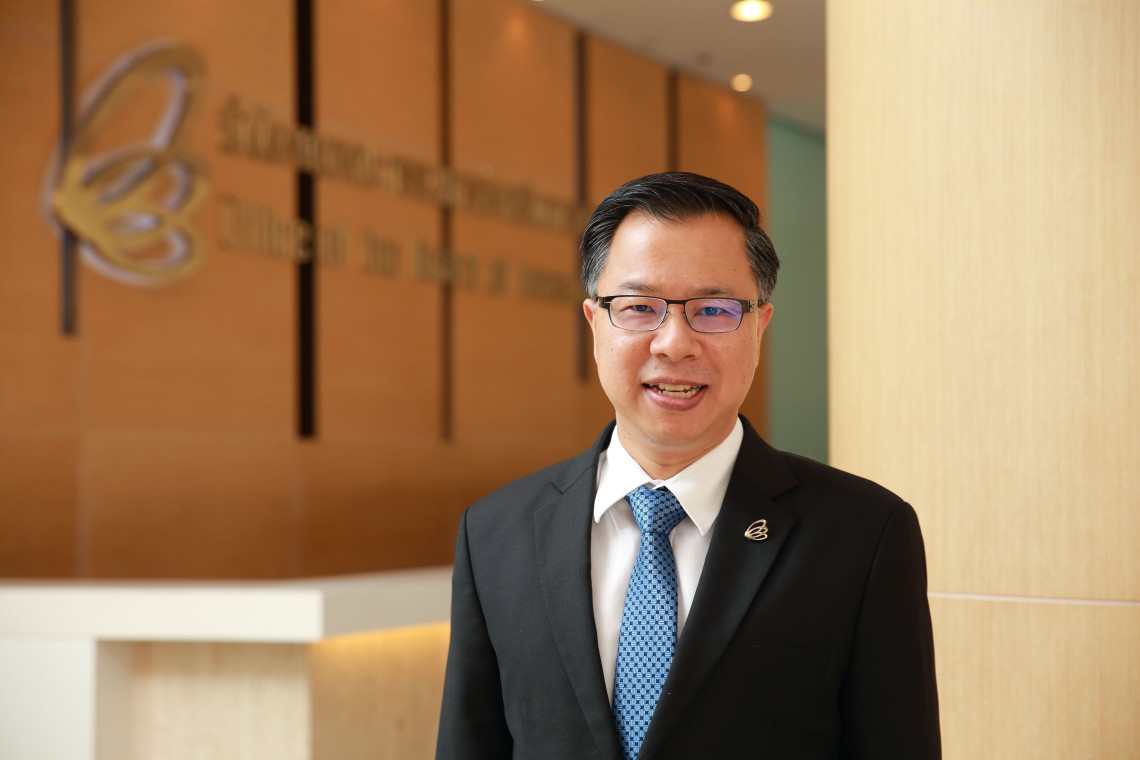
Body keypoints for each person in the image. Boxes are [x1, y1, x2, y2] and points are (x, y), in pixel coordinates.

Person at [436, 172, 940, 759]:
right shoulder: (495, 533)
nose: (674, 343)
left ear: (759, 326)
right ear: (594, 323)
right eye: (639, 307)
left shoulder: (863, 533)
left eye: (714, 309)